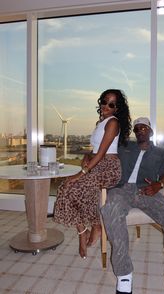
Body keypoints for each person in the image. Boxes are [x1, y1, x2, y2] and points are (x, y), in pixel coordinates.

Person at [100, 117, 164, 294]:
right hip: (121, 190)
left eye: (143, 128)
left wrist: (158, 184)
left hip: (147, 191)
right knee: (111, 209)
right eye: (137, 129)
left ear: (150, 131)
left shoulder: (160, 153)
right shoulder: (124, 148)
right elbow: (104, 154)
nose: (140, 130)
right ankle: (124, 273)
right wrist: (90, 157)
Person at [54, 89, 132, 259]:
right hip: (97, 165)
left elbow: (103, 152)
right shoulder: (101, 123)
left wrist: (80, 173)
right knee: (65, 188)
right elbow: (95, 150)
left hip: (108, 168)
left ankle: (94, 226)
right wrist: (86, 156)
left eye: (111, 104)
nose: (106, 106)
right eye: (104, 101)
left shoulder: (113, 123)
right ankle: (84, 230)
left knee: (72, 186)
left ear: (116, 108)